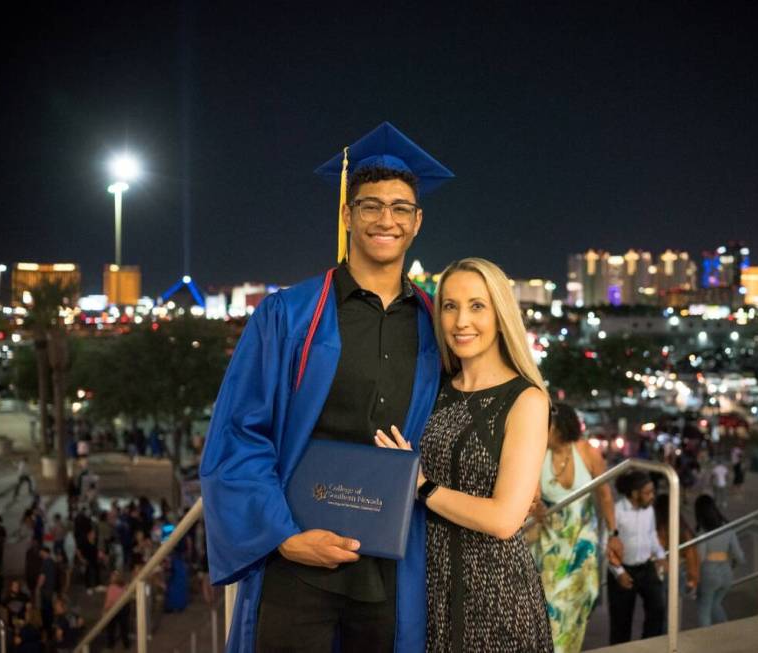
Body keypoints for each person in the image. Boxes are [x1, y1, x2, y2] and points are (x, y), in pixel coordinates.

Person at [200, 122, 452, 653]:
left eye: (401, 207)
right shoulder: (289, 316)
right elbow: (240, 433)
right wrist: (285, 538)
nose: (387, 219)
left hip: (391, 561)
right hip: (298, 560)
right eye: (371, 205)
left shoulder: (437, 325)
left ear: (417, 221)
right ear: (347, 214)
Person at [375, 257, 552, 651]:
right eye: (450, 306)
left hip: (494, 597)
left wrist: (418, 485)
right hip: (426, 590)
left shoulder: (525, 399)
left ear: (501, 313)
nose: (460, 321)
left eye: (477, 306)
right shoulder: (432, 389)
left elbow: (505, 519)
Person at [529, 402, 619, 653]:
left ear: (560, 428)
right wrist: (535, 507)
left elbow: (605, 496)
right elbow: (531, 495)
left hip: (583, 542)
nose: (541, 430)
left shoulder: (587, 452)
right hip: (551, 546)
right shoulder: (538, 454)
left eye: (546, 426)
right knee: (551, 607)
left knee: (582, 601)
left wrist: (613, 534)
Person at [607, 471, 666, 645]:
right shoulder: (616, 512)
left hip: (646, 568)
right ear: (634, 493)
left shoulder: (649, 510)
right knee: (621, 623)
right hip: (623, 570)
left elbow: (652, 534)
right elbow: (606, 544)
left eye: (653, 491)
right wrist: (618, 572)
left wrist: (661, 555)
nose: (652, 496)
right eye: (648, 492)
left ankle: (646, 646)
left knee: (658, 609)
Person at [693, 495, 744, 627]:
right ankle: (725, 629)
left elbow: (701, 556)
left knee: (704, 607)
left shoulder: (703, 533)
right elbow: (739, 556)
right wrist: (732, 563)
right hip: (726, 573)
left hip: (709, 574)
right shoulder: (728, 529)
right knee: (715, 604)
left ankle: (706, 637)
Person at [653, 493, 698, 630]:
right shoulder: (681, 527)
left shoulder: (657, 527)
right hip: (677, 571)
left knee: (659, 610)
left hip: (659, 572)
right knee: (672, 610)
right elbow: (690, 553)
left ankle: (662, 637)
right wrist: (693, 578)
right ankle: (670, 637)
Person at [102, 571, 130, 650]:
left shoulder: (111, 587)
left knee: (111, 627)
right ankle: (126, 644)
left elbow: (109, 601)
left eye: (112, 577)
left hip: (114, 609)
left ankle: (110, 644)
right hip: (124, 607)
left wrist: (104, 610)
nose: (111, 578)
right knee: (124, 627)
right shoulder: (125, 586)